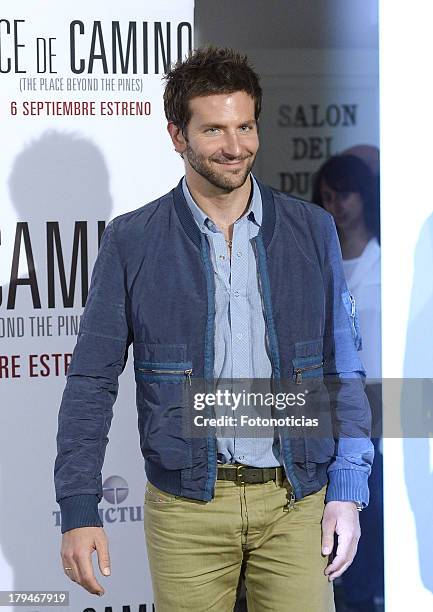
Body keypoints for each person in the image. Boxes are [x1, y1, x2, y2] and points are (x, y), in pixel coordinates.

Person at [54, 47, 374, 612]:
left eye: (245, 126)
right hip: (186, 511)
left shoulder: (311, 229)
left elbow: (342, 368)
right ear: (177, 135)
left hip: (297, 501)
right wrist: (79, 506)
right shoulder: (133, 240)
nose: (235, 146)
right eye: (215, 130)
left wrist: (348, 490)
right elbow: (90, 382)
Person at [313, 154, 383, 612]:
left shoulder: (389, 262)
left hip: (389, 400)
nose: (335, 204)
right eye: (327, 195)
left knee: (376, 515)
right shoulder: (318, 260)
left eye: (344, 194)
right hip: (330, 403)